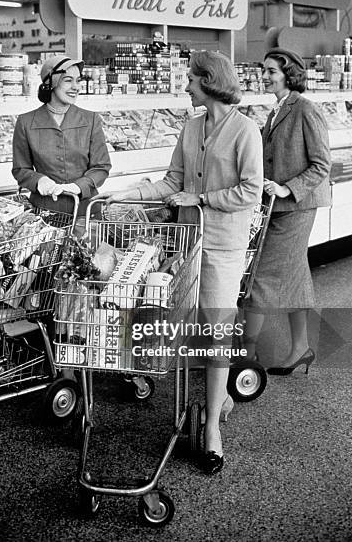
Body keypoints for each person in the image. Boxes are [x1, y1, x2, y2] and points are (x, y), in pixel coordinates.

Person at [97, 51, 263, 475]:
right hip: (188, 243)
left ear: (208, 81)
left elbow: (251, 191)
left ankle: (211, 428)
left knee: (216, 330)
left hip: (224, 246)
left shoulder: (246, 131)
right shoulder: (191, 128)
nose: (186, 86)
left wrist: (202, 198)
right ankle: (215, 396)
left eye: (190, 79)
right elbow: (172, 182)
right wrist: (127, 195)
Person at [244, 48, 331, 375]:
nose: (264, 76)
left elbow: (322, 164)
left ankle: (246, 356)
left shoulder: (305, 109)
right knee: (295, 276)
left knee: (261, 276)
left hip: (297, 205)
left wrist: (285, 188)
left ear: (289, 73)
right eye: (263, 70)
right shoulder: (276, 110)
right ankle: (300, 349)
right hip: (279, 207)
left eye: (271, 71)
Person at [12, 55, 111, 234]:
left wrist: (79, 186)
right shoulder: (26, 122)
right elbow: (20, 169)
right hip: (44, 216)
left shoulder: (91, 119)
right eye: (68, 80)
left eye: (78, 81)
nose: (76, 87)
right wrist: (39, 181)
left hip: (86, 213)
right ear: (51, 82)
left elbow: (101, 167)